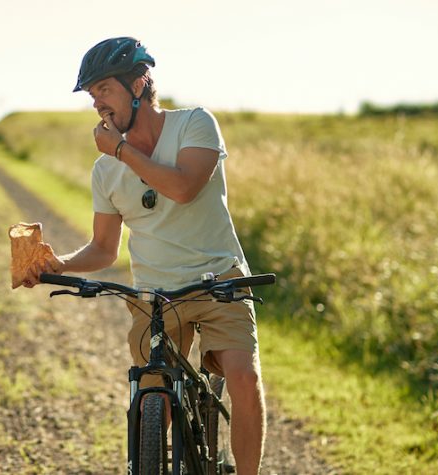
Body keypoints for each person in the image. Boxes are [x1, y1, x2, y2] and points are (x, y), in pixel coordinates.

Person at [25, 37, 266, 474]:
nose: (96, 102)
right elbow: (102, 248)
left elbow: (183, 187)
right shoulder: (104, 170)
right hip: (156, 296)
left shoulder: (194, 124)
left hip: (219, 280)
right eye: (91, 93)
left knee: (244, 379)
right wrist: (56, 263)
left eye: (103, 89)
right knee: (151, 397)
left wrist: (121, 150)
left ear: (138, 85)